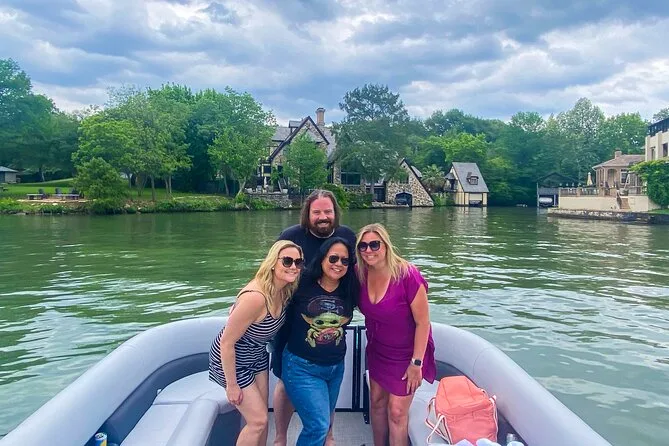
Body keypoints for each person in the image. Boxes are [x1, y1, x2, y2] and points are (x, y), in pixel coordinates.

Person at [273, 189, 356, 446]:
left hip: (330, 326)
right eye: (317, 212)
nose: (323, 217)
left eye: (328, 211)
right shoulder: (291, 236)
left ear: (335, 213)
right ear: (307, 213)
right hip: (289, 324)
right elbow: (269, 272)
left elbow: (363, 271)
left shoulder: (347, 237)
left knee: (324, 406)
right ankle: (280, 437)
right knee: (284, 381)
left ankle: (327, 435)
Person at [209, 240, 304, 446]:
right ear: (273, 263)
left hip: (257, 355)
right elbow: (226, 343)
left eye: (298, 262)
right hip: (233, 360)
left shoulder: (284, 290)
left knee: (263, 419)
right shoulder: (256, 297)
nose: (293, 267)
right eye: (287, 261)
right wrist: (232, 385)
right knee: (258, 421)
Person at [355, 223, 436, 446]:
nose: (368, 250)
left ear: (386, 245)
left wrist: (416, 363)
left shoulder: (408, 275)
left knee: (397, 412)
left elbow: (423, 322)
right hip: (378, 350)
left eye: (374, 245)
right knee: (376, 402)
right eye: (363, 246)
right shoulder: (359, 273)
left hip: (407, 355)